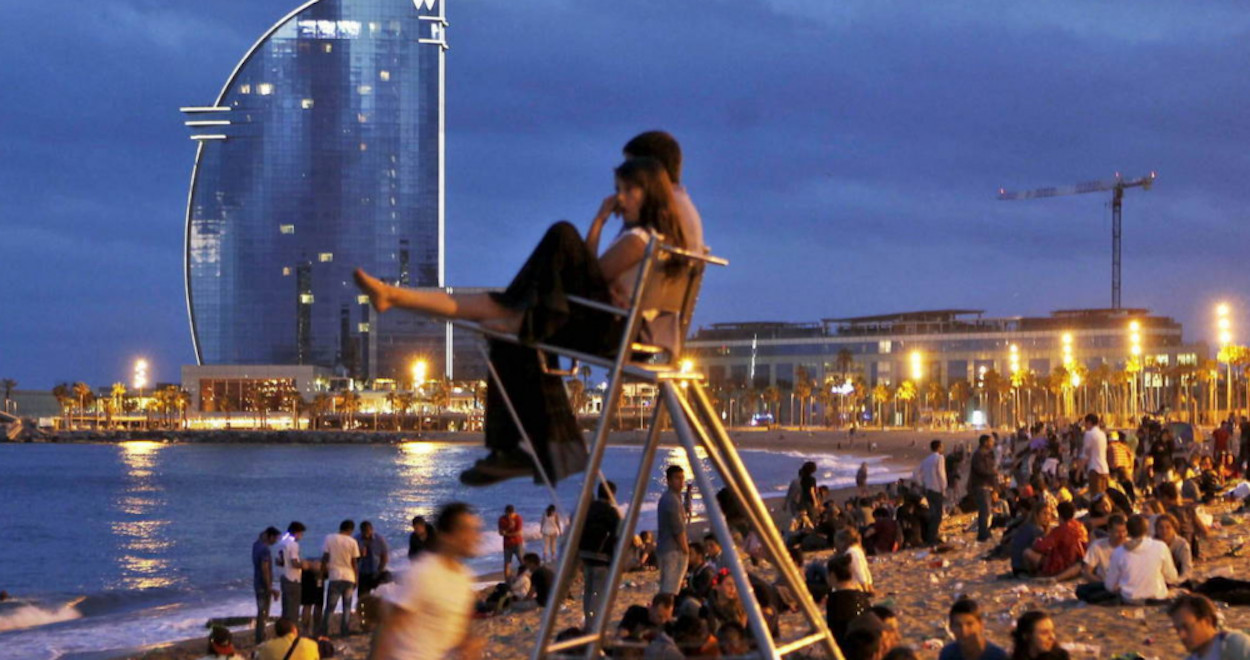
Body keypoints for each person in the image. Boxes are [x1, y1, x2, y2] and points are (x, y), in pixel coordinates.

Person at [355, 134, 701, 488]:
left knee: (559, 239)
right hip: (612, 321)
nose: (619, 198)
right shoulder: (667, 227)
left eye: (628, 189)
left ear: (652, 180)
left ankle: (519, 442)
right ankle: (395, 296)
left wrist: (598, 227)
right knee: (500, 319)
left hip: (606, 328)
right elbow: (600, 274)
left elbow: (597, 272)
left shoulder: (642, 237)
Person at [373, 502, 484, 660]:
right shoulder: (423, 573)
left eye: (476, 530)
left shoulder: (464, 577)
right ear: (447, 536)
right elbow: (389, 629)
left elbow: (456, 627)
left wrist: (468, 643)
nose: (476, 536)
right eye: (467, 530)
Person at [1105, 514, 1178, 604]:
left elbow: (1109, 586)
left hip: (1130, 599)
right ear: (1146, 530)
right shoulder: (1160, 547)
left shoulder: (1118, 552)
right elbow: (1172, 578)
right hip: (1157, 597)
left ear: (1128, 531)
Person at [578, 480, 621, 629]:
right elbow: (617, 537)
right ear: (612, 495)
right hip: (602, 557)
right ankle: (593, 624)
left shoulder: (587, 509)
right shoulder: (611, 512)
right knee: (598, 591)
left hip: (584, 554)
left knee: (588, 590)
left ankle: (588, 620)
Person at [1167, 593, 1250, 660]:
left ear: (1207, 621)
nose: (1182, 635)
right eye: (1178, 629)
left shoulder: (1235, 645)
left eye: (1186, 627)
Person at [1024, 501, 1087, 578]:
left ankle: (1035, 575)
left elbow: (1041, 546)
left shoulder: (1061, 529)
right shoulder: (1080, 526)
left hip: (1061, 564)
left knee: (1027, 552)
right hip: (1077, 563)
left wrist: (1038, 540)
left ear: (1059, 515)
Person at [1073, 514, 1127, 602]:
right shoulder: (1098, 545)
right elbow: (1086, 572)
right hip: (1104, 583)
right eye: (1117, 532)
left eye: (1124, 531)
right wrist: (1104, 582)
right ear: (1109, 531)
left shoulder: (1131, 546)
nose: (1121, 535)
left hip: (1125, 586)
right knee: (1081, 591)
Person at [320, 519, 360, 636]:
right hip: (349, 576)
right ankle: (344, 630)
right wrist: (356, 578)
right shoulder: (352, 542)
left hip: (335, 575)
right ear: (351, 530)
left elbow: (325, 557)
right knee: (347, 606)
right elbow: (354, 563)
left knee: (330, 607)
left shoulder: (330, 538)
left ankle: (325, 630)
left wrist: (322, 572)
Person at [826, 554, 873, 648]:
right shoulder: (861, 595)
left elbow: (833, 628)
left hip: (847, 647)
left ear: (833, 575)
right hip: (866, 643)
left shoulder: (834, 599)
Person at [939, 599, 1009, 660]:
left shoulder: (998, 656)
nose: (964, 630)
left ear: (981, 625)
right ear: (951, 627)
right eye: (958, 625)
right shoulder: (948, 654)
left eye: (969, 624)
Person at [657, 465, 689, 595]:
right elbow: (678, 528)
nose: (681, 482)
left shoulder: (673, 498)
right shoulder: (671, 500)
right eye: (677, 478)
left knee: (668, 585)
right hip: (672, 550)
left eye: (682, 478)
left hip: (666, 548)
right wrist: (685, 549)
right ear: (669, 481)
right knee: (671, 587)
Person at [252, 526, 280, 645]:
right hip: (263, 584)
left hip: (257, 582)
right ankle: (261, 638)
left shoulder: (256, 545)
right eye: (275, 539)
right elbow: (265, 569)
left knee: (261, 611)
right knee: (263, 612)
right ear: (270, 537)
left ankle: (259, 637)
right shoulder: (265, 550)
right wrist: (270, 587)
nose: (276, 542)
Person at [274, 522, 307, 622]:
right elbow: (294, 563)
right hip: (293, 578)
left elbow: (278, 561)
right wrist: (306, 565)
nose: (301, 536)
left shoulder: (281, 543)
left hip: (284, 576)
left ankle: (285, 628)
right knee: (293, 608)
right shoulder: (293, 545)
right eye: (301, 533)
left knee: (286, 607)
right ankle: (292, 630)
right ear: (297, 533)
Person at [969, 435, 998, 543]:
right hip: (981, 486)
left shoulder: (988, 455)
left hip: (988, 486)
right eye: (990, 441)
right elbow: (981, 470)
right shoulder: (978, 455)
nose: (992, 443)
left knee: (988, 511)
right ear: (985, 442)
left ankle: (986, 531)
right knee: (984, 510)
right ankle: (983, 534)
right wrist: (993, 472)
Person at [918, 439, 948, 545]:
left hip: (928, 489)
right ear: (939, 447)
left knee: (932, 513)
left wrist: (922, 484)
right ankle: (932, 537)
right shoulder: (939, 458)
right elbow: (941, 473)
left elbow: (917, 474)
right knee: (937, 515)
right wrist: (944, 488)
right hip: (937, 489)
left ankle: (930, 536)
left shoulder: (926, 460)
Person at [1154, 513, 1194, 585]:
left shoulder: (1182, 545)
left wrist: (1177, 582)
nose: (1164, 531)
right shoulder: (1152, 544)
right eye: (1161, 527)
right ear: (1156, 530)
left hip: (1177, 580)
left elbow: (1187, 570)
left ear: (1174, 529)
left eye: (1168, 527)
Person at [253, 618, 319, 660]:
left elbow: (257, 656)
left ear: (276, 633)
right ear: (294, 630)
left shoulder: (267, 647)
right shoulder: (312, 645)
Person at [356, 521, 389, 599]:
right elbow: (353, 559)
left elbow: (384, 557)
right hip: (363, 572)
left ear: (372, 530)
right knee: (362, 597)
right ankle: (363, 611)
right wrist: (360, 555)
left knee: (380, 596)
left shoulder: (379, 539)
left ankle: (378, 610)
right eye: (364, 532)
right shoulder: (356, 539)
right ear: (361, 531)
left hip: (377, 571)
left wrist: (379, 571)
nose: (366, 534)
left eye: (368, 531)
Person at [1082, 414, 1110, 496]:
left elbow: (1086, 454)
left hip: (1094, 469)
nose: (1085, 426)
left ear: (1089, 422)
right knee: (1104, 496)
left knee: (1095, 497)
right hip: (1104, 469)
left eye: (1085, 423)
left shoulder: (1089, 434)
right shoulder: (1102, 434)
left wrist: (1079, 470)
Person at [498, 504, 525, 581]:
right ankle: (507, 581)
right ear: (505, 512)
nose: (509, 516)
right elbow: (500, 532)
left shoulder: (518, 518)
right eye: (508, 514)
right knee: (507, 563)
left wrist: (506, 534)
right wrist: (508, 528)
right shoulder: (502, 519)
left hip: (517, 543)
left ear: (513, 512)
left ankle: (526, 578)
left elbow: (519, 532)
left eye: (511, 514)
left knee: (522, 561)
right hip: (507, 544)